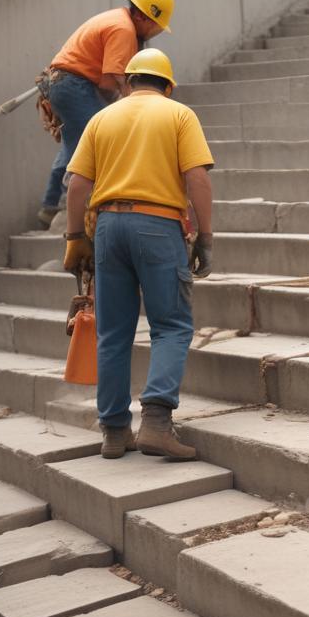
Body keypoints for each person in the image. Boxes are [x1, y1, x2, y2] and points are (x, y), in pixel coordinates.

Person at [62, 48, 214, 461]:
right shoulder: (178, 114)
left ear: (128, 81)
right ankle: (157, 424)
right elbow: (196, 177)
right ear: (167, 85)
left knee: (112, 333)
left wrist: (76, 237)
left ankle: (114, 432)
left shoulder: (102, 118)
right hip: (158, 225)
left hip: (109, 228)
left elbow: (76, 184)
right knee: (171, 326)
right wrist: (206, 236)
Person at [38, 0, 175, 226]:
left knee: (76, 140)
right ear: (143, 16)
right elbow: (114, 77)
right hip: (73, 84)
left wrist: (117, 102)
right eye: (156, 26)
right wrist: (137, 103)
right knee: (97, 138)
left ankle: (50, 205)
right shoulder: (123, 29)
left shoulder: (117, 19)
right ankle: (70, 206)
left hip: (65, 83)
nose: (156, 32)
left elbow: (104, 82)